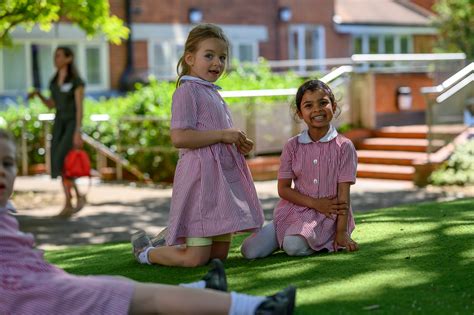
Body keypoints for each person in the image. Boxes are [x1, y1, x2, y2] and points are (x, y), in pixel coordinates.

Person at [0, 128, 296, 315]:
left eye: (8, 164)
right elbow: (180, 135)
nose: (2, 171)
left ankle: (200, 288)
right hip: (25, 297)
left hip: (37, 284)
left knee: (115, 284)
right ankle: (254, 308)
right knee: (135, 296)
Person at [131, 23, 264, 267]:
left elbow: (215, 134)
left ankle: (166, 242)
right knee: (196, 259)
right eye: (209, 55)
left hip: (219, 182)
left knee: (218, 256)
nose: (217, 62)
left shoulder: (212, 92)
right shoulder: (187, 91)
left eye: (222, 57)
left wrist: (236, 142)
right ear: (190, 58)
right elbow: (180, 137)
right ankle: (146, 252)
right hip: (201, 180)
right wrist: (224, 135)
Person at [241, 80, 359, 259]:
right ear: (300, 113)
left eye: (323, 103)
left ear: (333, 106)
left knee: (292, 246)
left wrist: (341, 232)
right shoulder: (292, 146)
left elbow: (344, 196)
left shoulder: (344, 146)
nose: (317, 110)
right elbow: (283, 189)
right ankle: (292, 232)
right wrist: (314, 203)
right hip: (294, 212)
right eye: (308, 105)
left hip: (327, 216)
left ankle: (316, 239)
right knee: (249, 250)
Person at [28, 46, 86, 217]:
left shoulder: (77, 81)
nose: (56, 59)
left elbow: (79, 107)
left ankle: (74, 199)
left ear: (69, 58)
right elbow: (51, 104)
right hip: (59, 123)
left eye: (59, 56)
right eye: (55, 56)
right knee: (58, 162)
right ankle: (71, 200)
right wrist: (38, 95)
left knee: (63, 159)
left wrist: (77, 131)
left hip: (71, 124)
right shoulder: (53, 82)